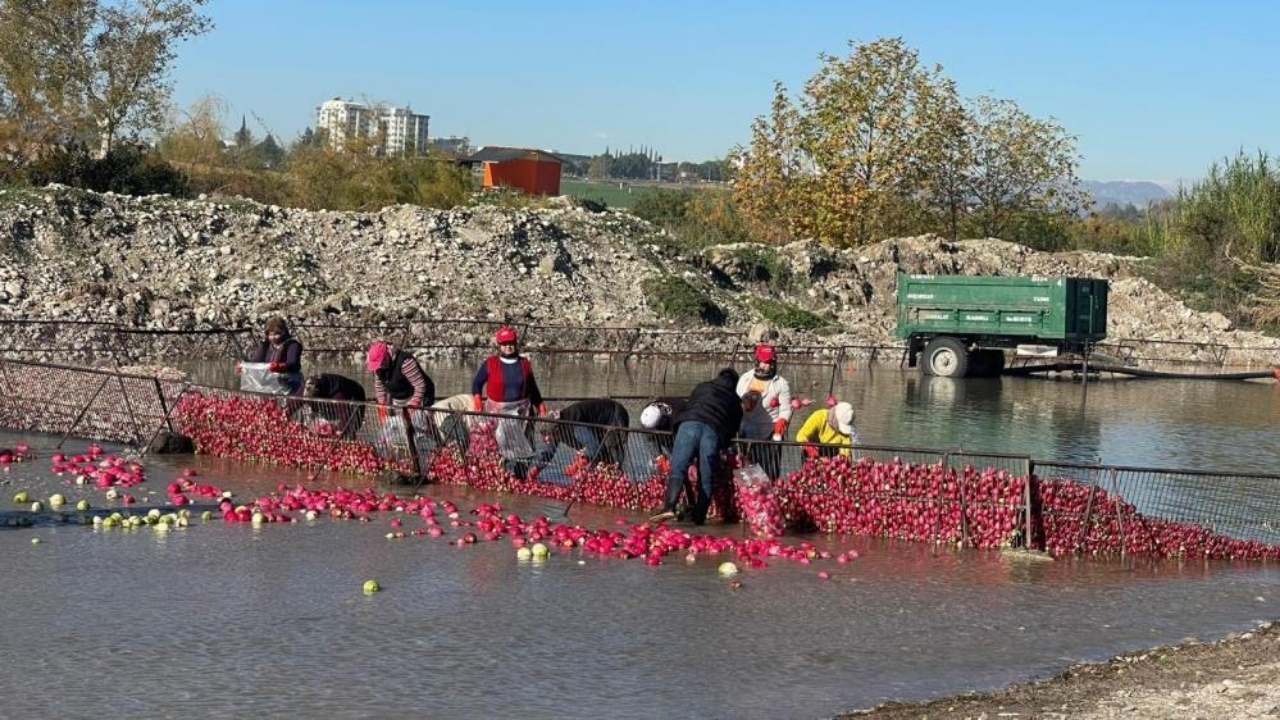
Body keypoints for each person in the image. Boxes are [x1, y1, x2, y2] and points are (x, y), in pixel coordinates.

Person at [649, 368, 743, 526]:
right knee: (706, 476)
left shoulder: (702, 387)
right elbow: (734, 427)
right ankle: (699, 517)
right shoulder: (734, 400)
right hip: (712, 431)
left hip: (689, 425)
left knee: (678, 468)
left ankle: (669, 506)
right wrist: (725, 445)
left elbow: (689, 405)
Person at [471, 326, 546, 461]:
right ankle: (500, 469)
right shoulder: (491, 363)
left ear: (516, 344)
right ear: (499, 345)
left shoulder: (524, 364)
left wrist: (540, 405)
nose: (508, 347)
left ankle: (520, 471)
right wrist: (477, 398)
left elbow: (533, 388)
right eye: (504, 344)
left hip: (521, 414)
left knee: (524, 451)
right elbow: (477, 383)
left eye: (511, 343)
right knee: (498, 448)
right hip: (497, 415)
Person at [529, 399, 630, 480]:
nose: (546, 438)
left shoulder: (575, 425)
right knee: (600, 461)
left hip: (614, 416)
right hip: (598, 426)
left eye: (547, 434)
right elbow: (548, 451)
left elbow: (594, 447)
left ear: (556, 430)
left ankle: (618, 482)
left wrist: (577, 464)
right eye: (544, 434)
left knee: (613, 458)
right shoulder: (556, 429)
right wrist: (537, 468)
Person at [736, 344, 792, 478]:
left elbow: (786, 408)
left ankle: (771, 487)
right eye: (764, 362)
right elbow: (736, 401)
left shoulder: (781, 384)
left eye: (770, 363)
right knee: (746, 471)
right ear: (757, 362)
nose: (767, 366)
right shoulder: (745, 379)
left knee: (769, 472)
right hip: (747, 430)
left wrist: (783, 421)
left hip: (770, 432)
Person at [366, 341, 435, 411]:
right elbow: (380, 388)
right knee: (394, 416)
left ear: (386, 356)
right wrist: (382, 406)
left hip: (419, 395)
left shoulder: (405, 362)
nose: (380, 367)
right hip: (399, 398)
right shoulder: (378, 369)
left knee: (416, 416)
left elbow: (420, 386)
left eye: (381, 364)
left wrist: (412, 405)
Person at [246, 317, 303, 394]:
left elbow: (293, 363)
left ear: (284, 332)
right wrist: (245, 367)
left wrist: (280, 366)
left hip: (289, 382)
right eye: (270, 335)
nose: (273, 338)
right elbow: (255, 362)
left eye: (277, 334)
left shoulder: (293, 345)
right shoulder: (265, 346)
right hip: (270, 382)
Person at [300, 373, 367, 439]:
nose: (311, 406)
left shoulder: (337, 395)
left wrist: (338, 431)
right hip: (329, 395)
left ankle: (349, 440)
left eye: (313, 404)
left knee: (351, 427)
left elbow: (345, 417)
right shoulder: (306, 388)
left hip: (355, 394)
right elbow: (295, 402)